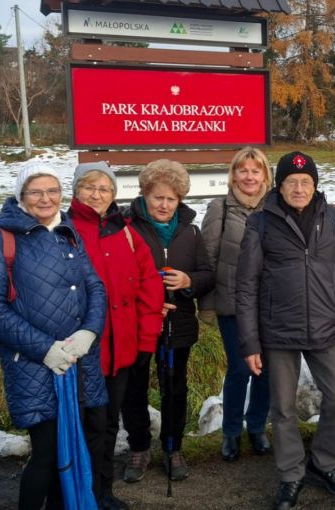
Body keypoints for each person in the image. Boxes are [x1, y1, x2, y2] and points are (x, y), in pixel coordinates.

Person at [0, 163, 108, 509]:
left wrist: (90, 331)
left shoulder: (69, 233)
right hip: (34, 364)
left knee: (73, 449)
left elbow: (95, 286)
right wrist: (46, 349)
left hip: (78, 359)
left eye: (52, 190)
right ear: (22, 196)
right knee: (47, 453)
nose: (45, 198)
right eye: (36, 191)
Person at [236, 151, 335, 510]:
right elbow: (245, 286)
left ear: (315, 185)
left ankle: (324, 463)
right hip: (279, 330)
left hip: (327, 327)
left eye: (306, 182)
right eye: (292, 182)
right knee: (284, 408)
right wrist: (250, 341)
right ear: (281, 185)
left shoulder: (334, 219)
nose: (299, 188)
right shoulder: (260, 223)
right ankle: (291, 474)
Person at [68, 162, 164, 509]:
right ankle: (74, 491)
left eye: (104, 188)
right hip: (79, 349)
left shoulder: (124, 231)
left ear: (113, 194)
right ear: (76, 191)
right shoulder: (64, 229)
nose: (97, 194)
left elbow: (149, 284)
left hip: (120, 347)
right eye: (89, 187)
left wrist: (146, 339)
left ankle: (101, 492)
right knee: (79, 424)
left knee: (108, 424)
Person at [120, 159, 214, 483]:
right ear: (145, 195)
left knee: (174, 387)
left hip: (179, 323)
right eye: (157, 197)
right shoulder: (127, 229)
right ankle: (139, 446)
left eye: (171, 198)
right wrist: (147, 302)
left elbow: (206, 274)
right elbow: (117, 277)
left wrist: (189, 282)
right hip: (136, 324)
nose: (164, 204)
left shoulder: (190, 232)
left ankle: (173, 447)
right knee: (134, 388)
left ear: (180, 200)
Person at [200, 147, 273, 462]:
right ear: (233, 175)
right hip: (232, 305)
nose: (249, 176)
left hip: (270, 306)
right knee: (240, 368)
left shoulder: (275, 208)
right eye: (243, 170)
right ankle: (231, 431)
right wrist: (207, 304)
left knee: (266, 371)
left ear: (265, 176)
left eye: (256, 171)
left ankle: (256, 426)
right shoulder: (220, 208)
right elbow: (208, 259)